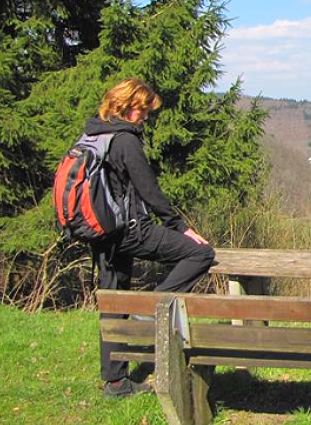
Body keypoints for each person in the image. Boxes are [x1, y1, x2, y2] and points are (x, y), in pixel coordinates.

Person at [88, 78, 215, 398]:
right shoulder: (125, 141)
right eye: (143, 110)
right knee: (200, 254)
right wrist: (179, 226)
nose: (146, 116)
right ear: (128, 105)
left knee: (114, 301)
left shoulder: (94, 134)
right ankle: (152, 308)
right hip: (130, 229)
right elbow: (149, 189)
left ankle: (115, 382)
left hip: (101, 233)